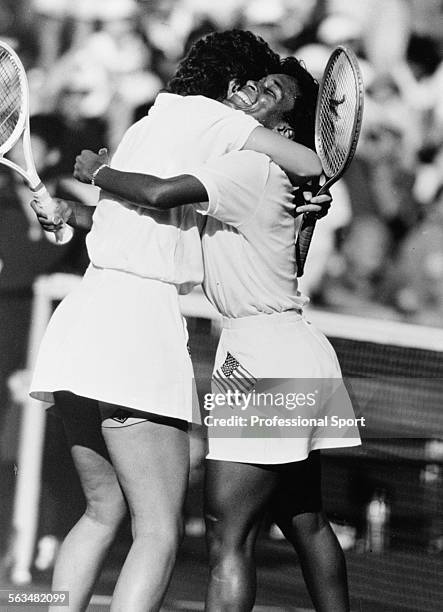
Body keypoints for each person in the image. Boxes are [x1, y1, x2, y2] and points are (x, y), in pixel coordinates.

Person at [43, 61, 360, 611]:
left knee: (225, 535)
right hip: (282, 351)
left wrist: (99, 172)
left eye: (269, 93)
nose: (250, 94)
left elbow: (162, 194)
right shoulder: (247, 171)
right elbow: (159, 232)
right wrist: (74, 210)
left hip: (264, 358)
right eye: (252, 85)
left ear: (284, 128)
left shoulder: (246, 168)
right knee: (303, 521)